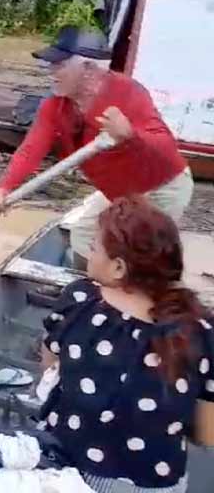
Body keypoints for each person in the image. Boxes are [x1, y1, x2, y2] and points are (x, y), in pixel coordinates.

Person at [40, 197, 214, 492]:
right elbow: (207, 435)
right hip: (153, 482)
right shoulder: (202, 331)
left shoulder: (80, 300)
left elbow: (48, 372)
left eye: (94, 248)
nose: (90, 253)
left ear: (119, 268)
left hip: (66, 467)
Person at [0, 26, 192, 269]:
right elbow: (30, 150)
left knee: (138, 255)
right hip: (120, 192)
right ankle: (86, 292)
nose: (51, 72)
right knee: (83, 237)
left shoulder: (127, 93)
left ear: (88, 69)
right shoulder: (55, 106)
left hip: (161, 187)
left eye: (59, 65)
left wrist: (130, 136)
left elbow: (165, 147)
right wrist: (4, 187)